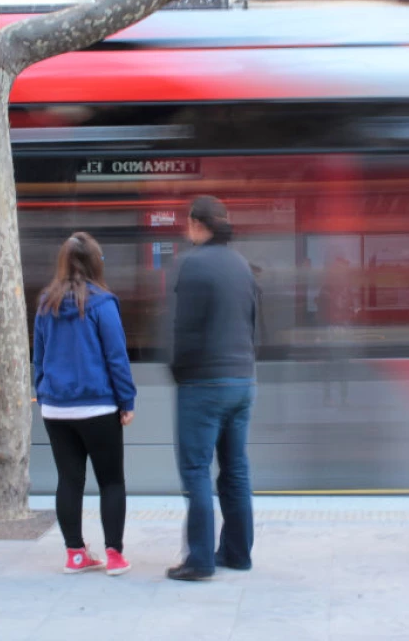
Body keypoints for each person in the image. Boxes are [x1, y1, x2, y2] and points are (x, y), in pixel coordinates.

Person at [34, 232, 136, 576]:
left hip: (55, 408)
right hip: (97, 407)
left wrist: (43, 391)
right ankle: (115, 556)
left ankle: (75, 554)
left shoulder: (46, 303)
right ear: (96, 263)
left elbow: (39, 356)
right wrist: (127, 400)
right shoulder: (103, 304)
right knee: (111, 481)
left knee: (69, 480)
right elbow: (116, 357)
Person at [167, 196, 258, 581]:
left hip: (203, 382)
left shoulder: (190, 264)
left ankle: (199, 559)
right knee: (235, 469)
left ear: (195, 223)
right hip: (242, 380)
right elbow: (255, 323)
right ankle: (237, 553)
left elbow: (183, 329)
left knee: (196, 470)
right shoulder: (242, 264)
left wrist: (179, 371)